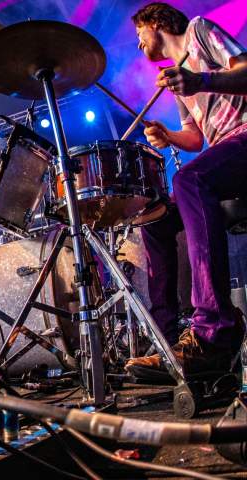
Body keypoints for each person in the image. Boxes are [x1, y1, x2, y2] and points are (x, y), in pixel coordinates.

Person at [125, 3, 247, 379]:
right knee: (155, 219)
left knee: (188, 180)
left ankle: (215, 327)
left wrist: (201, 80)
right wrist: (168, 136)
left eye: (139, 35)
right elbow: (195, 139)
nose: (138, 43)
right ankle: (171, 344)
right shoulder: (174, 79)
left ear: (155, 23)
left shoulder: (197, 32)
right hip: (228, 152)